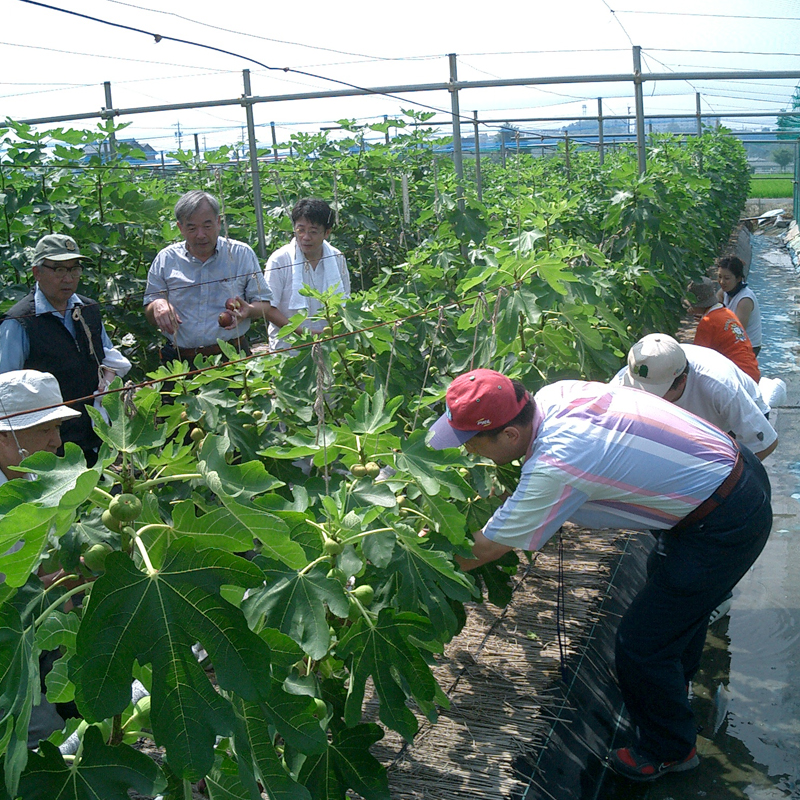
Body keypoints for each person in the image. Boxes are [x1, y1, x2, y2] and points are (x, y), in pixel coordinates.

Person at [426, 368, 772, 782]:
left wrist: (421, 559)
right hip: (729, 473)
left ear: (510, 437)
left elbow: (487, 548)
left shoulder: (557, 462)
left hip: (723, 521)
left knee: (640, 645)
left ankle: (670, 751)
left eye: (472, 443)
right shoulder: (556, 393)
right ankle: (670, 700)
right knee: (675, 614)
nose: (468, 453)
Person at [0, 369, 83, 747]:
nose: (55, 441)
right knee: (41, 736)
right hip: (8, 649)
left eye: (58, 428)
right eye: (42, 429)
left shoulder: (42, 483)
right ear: (4, 436)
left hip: (40, 633)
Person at [0, 234, 131, 465]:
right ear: (37, 273)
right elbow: (4, 392)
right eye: (59, 270)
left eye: (74, 269)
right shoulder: (20, 322)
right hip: (47, 447)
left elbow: (109, 357)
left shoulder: (88, 310)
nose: (68, 278)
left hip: (98, 437)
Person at [144, 190, 292, 362]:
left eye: (207, 226)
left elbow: (264, 304)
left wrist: (248, 311)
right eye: (192, 228)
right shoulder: (166, 259)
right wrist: (157, 305)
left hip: (232, 356)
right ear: (180, 228)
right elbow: (149, 310)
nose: (201, 235)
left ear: (218, 222)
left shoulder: (240, 254)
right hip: (180, 359)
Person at [614, 334, 777, 461]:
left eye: (656, 394)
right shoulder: (627, 379)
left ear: (682, 380)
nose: (648, 399)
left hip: (731, 426)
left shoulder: (720, 387)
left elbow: (766, 445)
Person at [264, 198, 351, 351]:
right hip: (287, 348)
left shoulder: (337, 258)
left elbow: (344, 301)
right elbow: (268, 308)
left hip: (328, 345)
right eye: (300, 230)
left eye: (313, 231)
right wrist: (304, 333)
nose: (305, 237)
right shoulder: (279, 260)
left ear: (327, 232)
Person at [687, 277, 760, 383]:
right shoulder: (728, 313)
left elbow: (697, 360)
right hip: (752, 373)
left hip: (738, 379)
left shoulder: (707, 322)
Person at [716, 255, 762, 356]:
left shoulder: (745, 300)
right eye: (719, 277)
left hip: (748, 346)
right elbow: (714, 308)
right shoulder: (725, 291)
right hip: (734, 341)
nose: (722, 282)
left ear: (738, 279)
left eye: (727, 278)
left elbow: (738, 332)